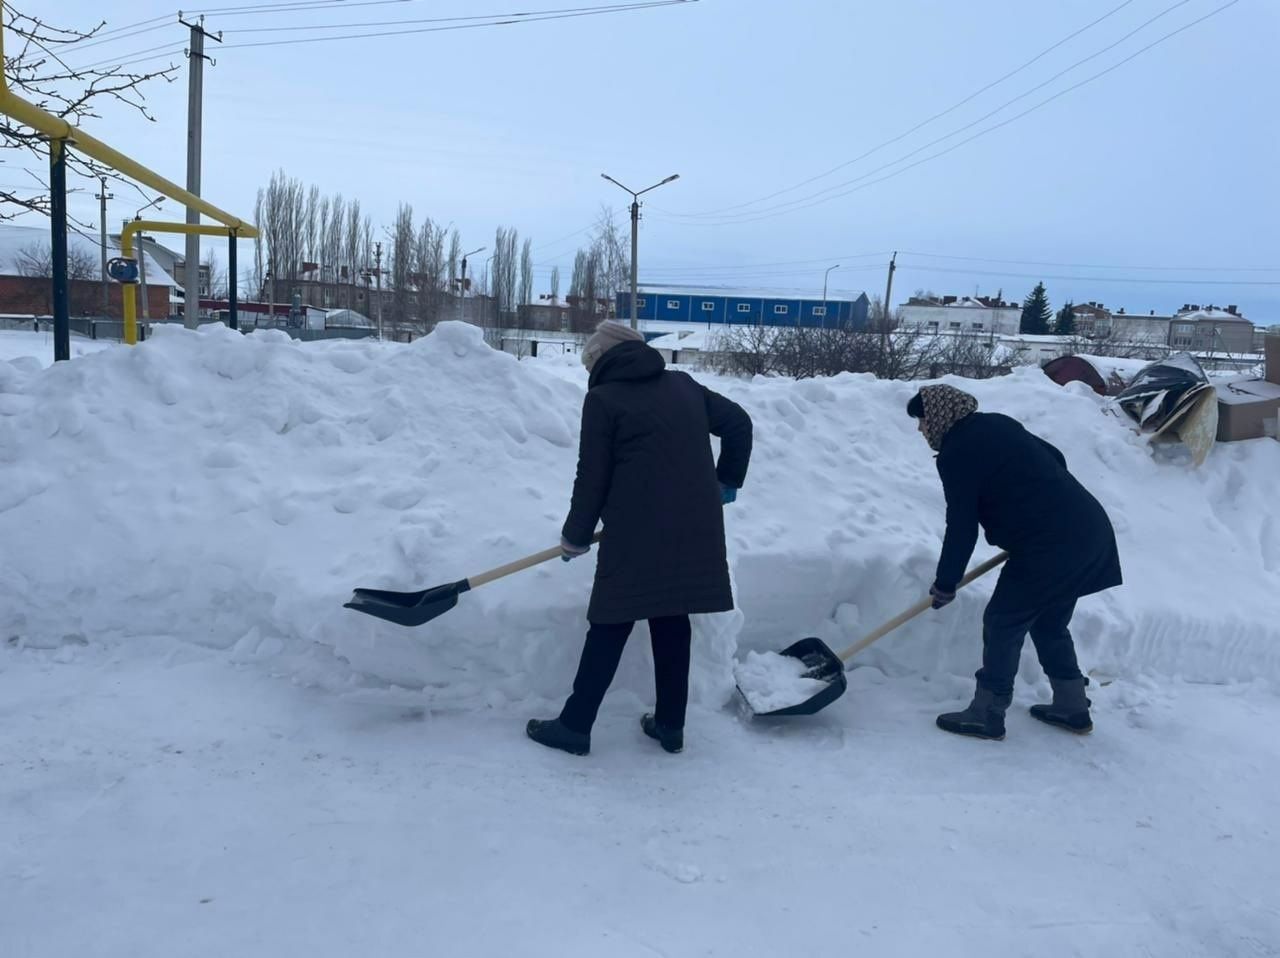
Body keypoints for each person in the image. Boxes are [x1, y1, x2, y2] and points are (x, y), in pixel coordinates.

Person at [527, 321, 752, 756]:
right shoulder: (684, 385)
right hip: (695, 526)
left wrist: (574, 536)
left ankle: (575, 727)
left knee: (610, 621)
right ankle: (671, 725)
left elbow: (592, 477)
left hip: (636, 530)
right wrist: (727, 479)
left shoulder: (603, 399)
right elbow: (738, 423)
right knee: (671, 618)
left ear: (601, 362)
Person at [908, 384, 1121, 741]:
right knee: (1049, 623)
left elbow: (962, 524)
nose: (921, 430)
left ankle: (987, 713)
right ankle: (1072, 706)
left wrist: (946, 582)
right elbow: (1054, 457)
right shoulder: (997, 424)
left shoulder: (956, 452)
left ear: (939, 415)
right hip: (1087, 528)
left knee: (1003, 620)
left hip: (1049, 546)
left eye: (922, 420)